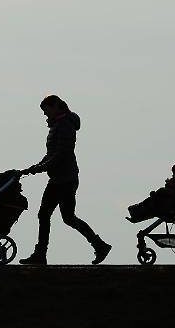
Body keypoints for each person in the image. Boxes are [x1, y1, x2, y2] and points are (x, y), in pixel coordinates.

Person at [19, 95, 111, 265]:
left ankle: (42, 253)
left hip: (65, 179)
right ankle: (98, 246)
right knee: (59, 216)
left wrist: (41, 167)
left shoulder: (65, 125)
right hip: (59, 178)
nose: (45, 115)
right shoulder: (59, 125)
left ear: (55, 106)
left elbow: (61, 154)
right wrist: (36, 167)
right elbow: (51, 153)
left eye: (46, 110)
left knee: (56, 216)